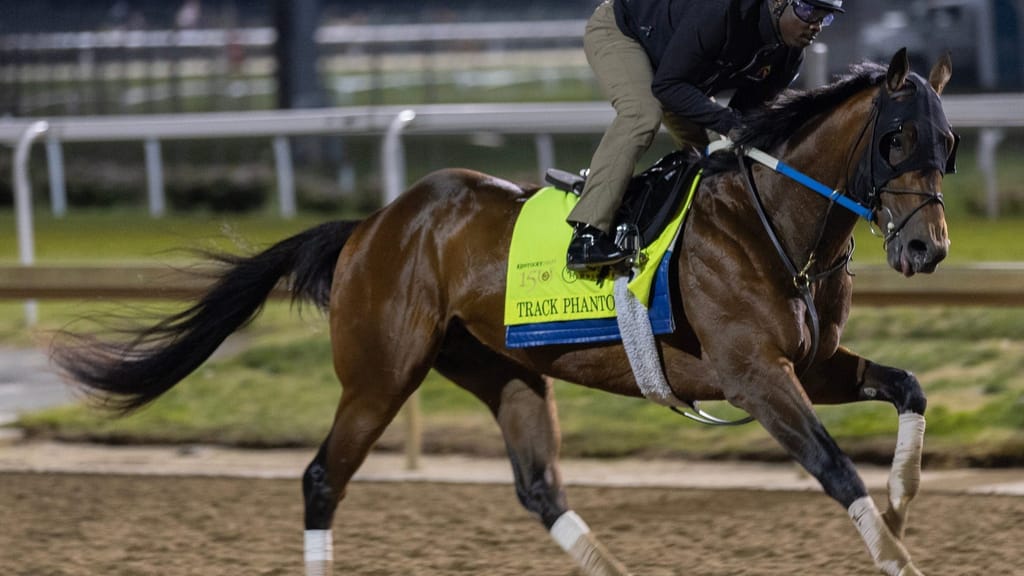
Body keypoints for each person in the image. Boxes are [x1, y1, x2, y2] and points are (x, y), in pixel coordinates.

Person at [566, 0, 845, 271]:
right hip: (623, 32)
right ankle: (587, 234)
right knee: (642, 113)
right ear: (777, 2)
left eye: (825, 16)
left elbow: (743, 119)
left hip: (677, 72)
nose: (816, 25)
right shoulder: (721, 11)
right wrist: (728, 123)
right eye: (808, 10)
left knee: (719, 155)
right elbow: (668, 87)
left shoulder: (789, 56)